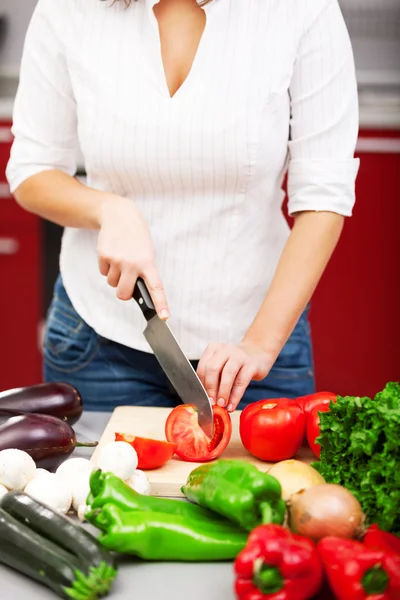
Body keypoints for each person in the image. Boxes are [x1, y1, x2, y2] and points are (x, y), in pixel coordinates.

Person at [6, 0, 360, 413]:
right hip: (101, 340)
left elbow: (322, 197)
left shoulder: (302, 10)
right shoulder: (69, 9)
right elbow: (33, 171)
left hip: (258, 345)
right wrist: (109, 209)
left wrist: (259, 345)